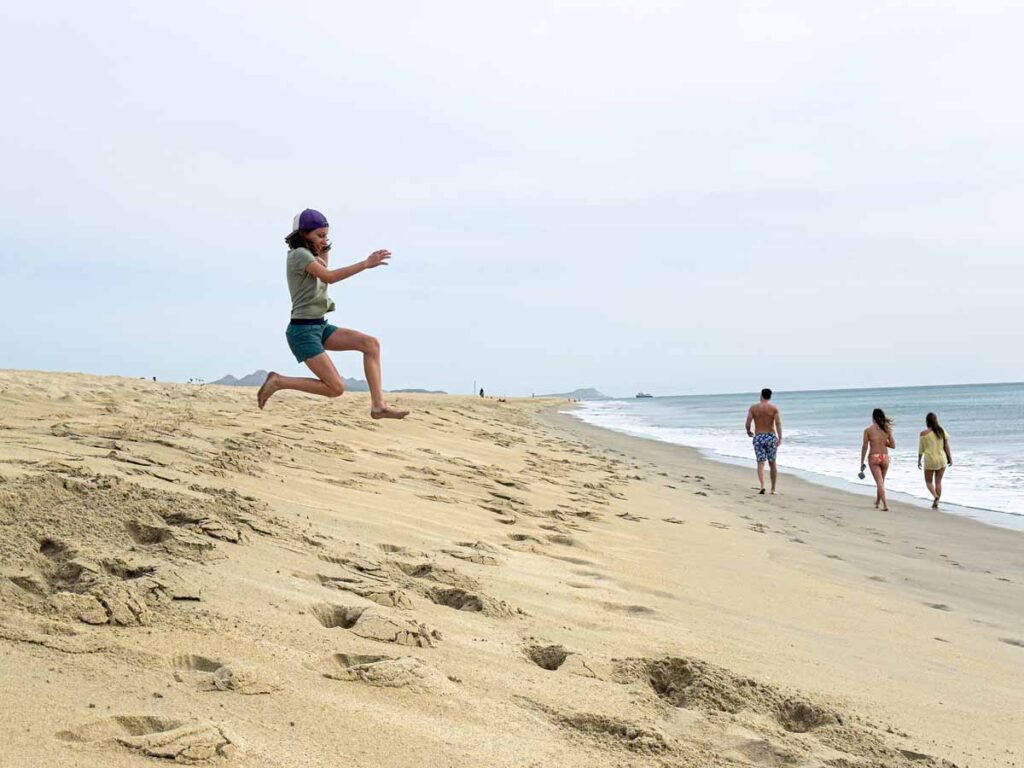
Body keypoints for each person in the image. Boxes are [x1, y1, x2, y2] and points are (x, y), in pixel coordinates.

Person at [257, 209, 408, 419]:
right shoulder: (298, 255)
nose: (324, 239)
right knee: (336, 388)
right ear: (303, 235)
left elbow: (324, 266)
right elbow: (329, 277)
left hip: (319, 327)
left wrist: (323, 246)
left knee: (370, 344)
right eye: (319, 235)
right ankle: (279, 381)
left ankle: (378, 406)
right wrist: (365, 264)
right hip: (302, 332)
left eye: (326, 234)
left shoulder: (311, 256)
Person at [745, 388, 783, 495]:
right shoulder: (774, 408)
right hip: (770, 437)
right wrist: (780, 438)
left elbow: (748, 422)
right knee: (772, 463)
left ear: (761, 395)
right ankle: (773, 489)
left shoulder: (753, 408)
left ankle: (762, 486)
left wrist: (748, 431)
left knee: (760, 463)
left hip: (759, 437)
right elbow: (778, 423)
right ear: (770, 397)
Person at [860, 408, 895, 511]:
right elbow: (893, 445)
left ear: (873, 418)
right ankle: (877, 502)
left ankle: (885, 505)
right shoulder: (887, 429)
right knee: (881, 482)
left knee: (879, 482)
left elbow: (865, 447)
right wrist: (883, 442)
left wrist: (862, 461)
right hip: (884, 457)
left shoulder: (868, 430)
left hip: (874, 457)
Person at [918, 412, 952, 509]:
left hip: (930, 459)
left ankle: (935, 496)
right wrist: (950, 458)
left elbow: (921, 448)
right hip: (942, 459)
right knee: (938, 482)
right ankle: (937, 502)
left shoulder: (923, 434)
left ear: (927, 421)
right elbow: (946, 446)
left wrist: (919, 460)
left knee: (928, 481)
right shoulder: (941, 431)